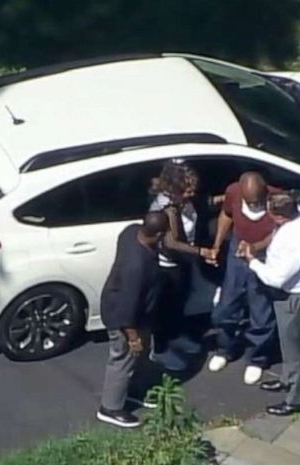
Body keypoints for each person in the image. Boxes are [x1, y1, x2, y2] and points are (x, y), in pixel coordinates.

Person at [239, 193, 300, 416]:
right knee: (287, 344)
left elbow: (276, 278)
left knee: (294, 350)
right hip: (288, 294)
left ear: (281, 217)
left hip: (294, 297)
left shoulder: (295, 242)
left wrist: (251, 261)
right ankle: (288, 379)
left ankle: (296, 399)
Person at [207, 171, 283, 385]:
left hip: (264, 256)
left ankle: (258, 358)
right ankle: (226, 348)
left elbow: (280, 229)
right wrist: (217, 245)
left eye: (258, 201)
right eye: (250, 202)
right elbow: (226, 215)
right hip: (238, 252)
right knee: (226, 306)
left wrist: (256, 248)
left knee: (261, 310)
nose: (254, 205)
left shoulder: (277, 199)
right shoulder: (233, 192)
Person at [97, 211, 170, 428]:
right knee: (124, 358)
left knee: (141, 356)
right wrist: (132, 337)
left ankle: (133, 391)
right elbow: (127, 306)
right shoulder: (136, 267)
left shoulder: (130, 232)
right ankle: (110, 407)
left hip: (136, 314)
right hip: (125, 318)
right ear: (157, 235)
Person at [148, 160, 217, 371]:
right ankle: (160, 350)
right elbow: (172, 242)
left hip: (182, 263)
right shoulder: (166, 209)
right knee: (165, 309)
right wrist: (201, 252)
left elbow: (204, 205)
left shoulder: (181, 202)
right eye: (187, 190)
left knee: (179, 305)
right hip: (167, 266)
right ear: (174, 188)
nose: (191, 194)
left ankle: (177, 337)